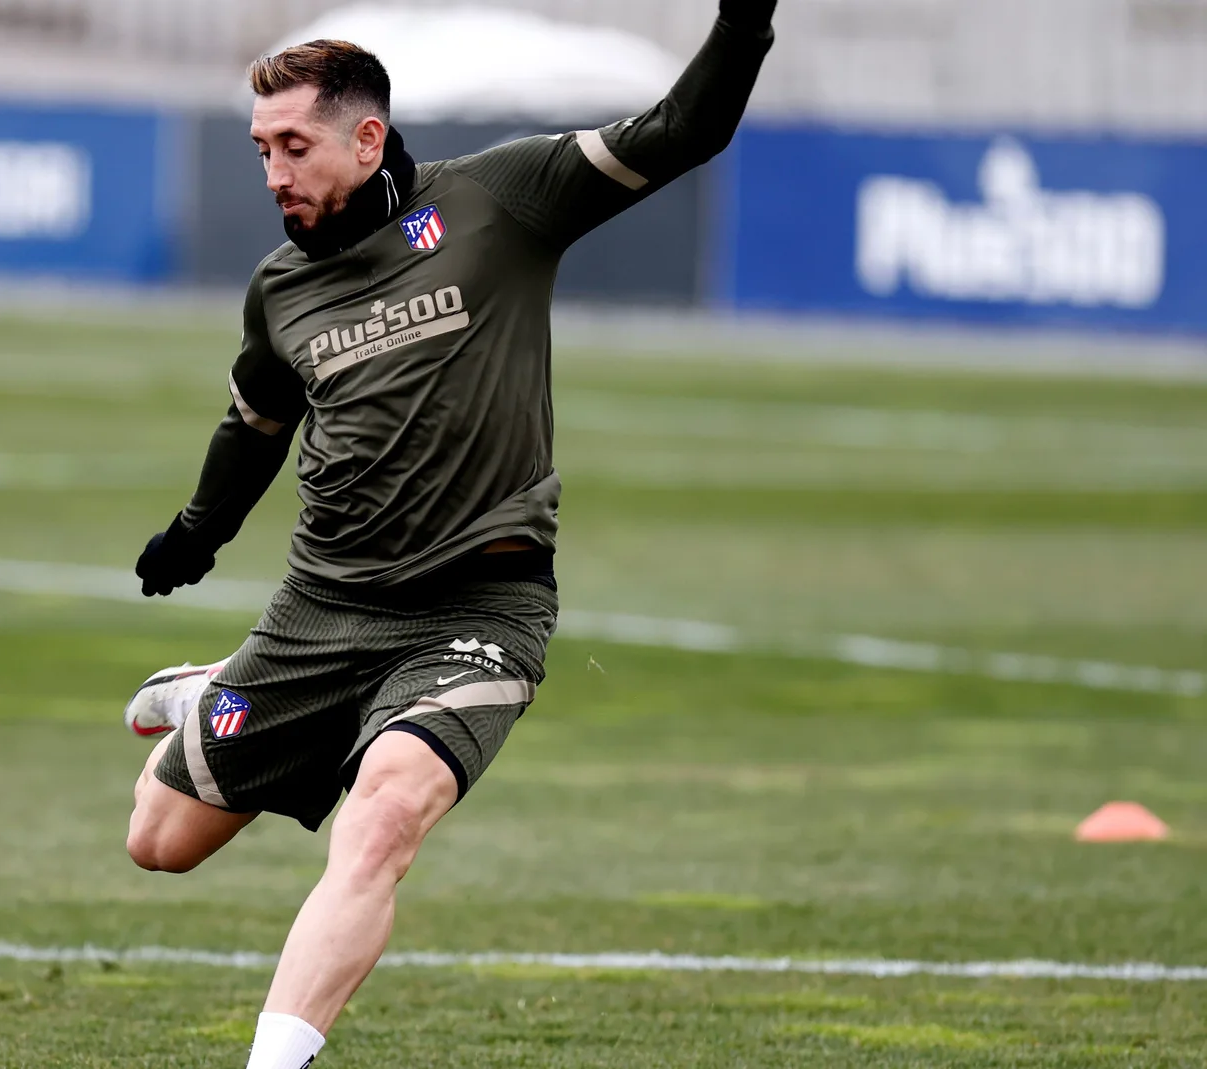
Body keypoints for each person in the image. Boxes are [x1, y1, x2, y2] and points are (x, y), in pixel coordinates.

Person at [123, 4, 775, 1066]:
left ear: (366, 138)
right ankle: (218, 685)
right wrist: (195, 533)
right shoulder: (279, 291)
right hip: (320, 611)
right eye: (259, 151)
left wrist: (745, 23)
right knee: (158, 841)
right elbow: (254, 426)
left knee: (378, 818)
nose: (273, 173)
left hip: (478, 612)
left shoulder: (497, 199)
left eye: (294, 146)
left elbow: (681, 131)